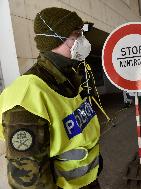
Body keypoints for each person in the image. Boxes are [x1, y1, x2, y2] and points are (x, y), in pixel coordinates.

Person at [0, 7, 102, 189]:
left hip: (87, 182)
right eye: (76, 35)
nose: (83, 40)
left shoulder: (68, 79)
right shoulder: (27, 95)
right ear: (56, 38)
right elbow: (29, 181)